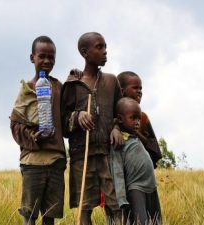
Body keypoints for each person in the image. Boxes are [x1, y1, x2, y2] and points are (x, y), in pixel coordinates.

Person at [61, 32, 123, 225]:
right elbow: (62, 124)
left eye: (105, 46)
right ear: (84, 52)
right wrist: (77, 116)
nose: (105, 51)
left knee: (116, 205)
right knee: (84, 208)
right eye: (99, 47)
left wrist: (116, 127)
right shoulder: (72, 85)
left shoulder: (112, 81)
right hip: (82, 155)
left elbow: (120, 113)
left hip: (108, 154)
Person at [10, 36, 66, 225]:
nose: (47, 61)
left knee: (50, 215)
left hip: (56, 161)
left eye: (51, 57)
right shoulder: (27, 89)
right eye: (42, 56)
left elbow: (66, 118)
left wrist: (76, 78)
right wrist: (34, 136)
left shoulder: (58, 87)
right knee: (29, 214)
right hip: (32, 161)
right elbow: (15, 125)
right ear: (32, 57)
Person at [111, 97, 162, 225]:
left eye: (138, 118)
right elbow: (117, 171)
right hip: (136, 188)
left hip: (151, 187)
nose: (137, 122)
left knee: (156, 220)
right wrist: (121, 199)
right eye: (133, 118)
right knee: (141, 221)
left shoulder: (135, 137)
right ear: (120, 119)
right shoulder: (119, 141)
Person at [117, 71, 162, 168]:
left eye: (140, 88)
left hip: (137, 170)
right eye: (135, 88)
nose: (139, 91)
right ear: (121, 90)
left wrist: (136, 133)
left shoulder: (143, 117)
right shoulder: (112, 114)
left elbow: (155, 151)